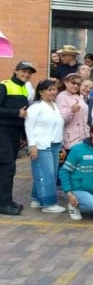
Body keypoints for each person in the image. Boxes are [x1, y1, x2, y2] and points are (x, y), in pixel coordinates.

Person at [25, 79, 66, 213]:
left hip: (55, 144)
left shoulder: (54, 106)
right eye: (49, 89)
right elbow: (29, 126)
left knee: (51, 173)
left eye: (54, 89)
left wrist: (61, 144)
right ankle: (48, 204)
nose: (53, 92)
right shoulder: (36, 107)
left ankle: (37, 198)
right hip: (41, 145)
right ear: (41, 92)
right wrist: (32, 145)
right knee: (46, 174)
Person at [0, 61, 35, 215]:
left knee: (7, 167)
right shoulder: (4, 85)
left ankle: (5, 200)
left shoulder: (24, 90)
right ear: (16, 71)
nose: (26, 75)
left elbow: (23, 115)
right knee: (8, 167)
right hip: (2, 131)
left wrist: (24, 136)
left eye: (29, 73)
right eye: (23, 71)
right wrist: (16, 113)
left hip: (14, 134)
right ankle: (4, 203)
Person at [59, 121, 93, 221]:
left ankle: (87, 206)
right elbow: (64, 171)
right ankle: (74, 205)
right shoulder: (78, 149)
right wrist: (68, 192)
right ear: (91, 133)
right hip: (76, 190)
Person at [56, 73, 90, 152]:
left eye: (78, 84)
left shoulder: (79, 96)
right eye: (73, 83)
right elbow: (62, 119)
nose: (76, 86)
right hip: (71, 139)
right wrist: (72, 111)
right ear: (66, 83)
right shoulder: (61, 97)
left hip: (84, 137)